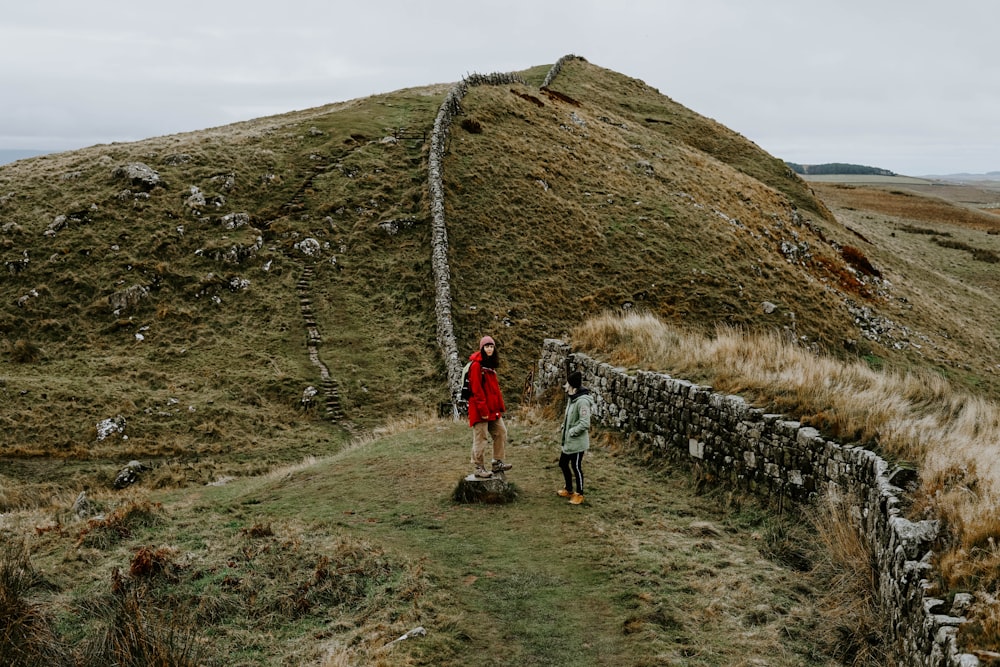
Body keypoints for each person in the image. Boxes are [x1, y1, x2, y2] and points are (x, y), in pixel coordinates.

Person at [467, 335, 510, 478]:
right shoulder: (476, 366)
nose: (489, 349)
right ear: (482, 348)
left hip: (492, 409)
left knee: (501, 432)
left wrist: (499, 408)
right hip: (480, 410)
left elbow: (494, 390)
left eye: (491, 346)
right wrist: (483, 410)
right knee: (481, 438)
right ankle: (478, 467)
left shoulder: (490, 365)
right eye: (487, 346)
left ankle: (497, 462)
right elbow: (477, 390)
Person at [558, 370, 593, 505]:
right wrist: (564, 426)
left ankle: (579, 494)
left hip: (577, 443)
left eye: (567, 383)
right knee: (563, 464)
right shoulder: (571, 399)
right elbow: (568, 417)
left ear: (573, 386)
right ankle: (569, 489)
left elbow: (585, 423)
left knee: (576, 466)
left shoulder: (582, 402)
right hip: (568, 442)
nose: (565, 386)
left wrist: (572, 431)